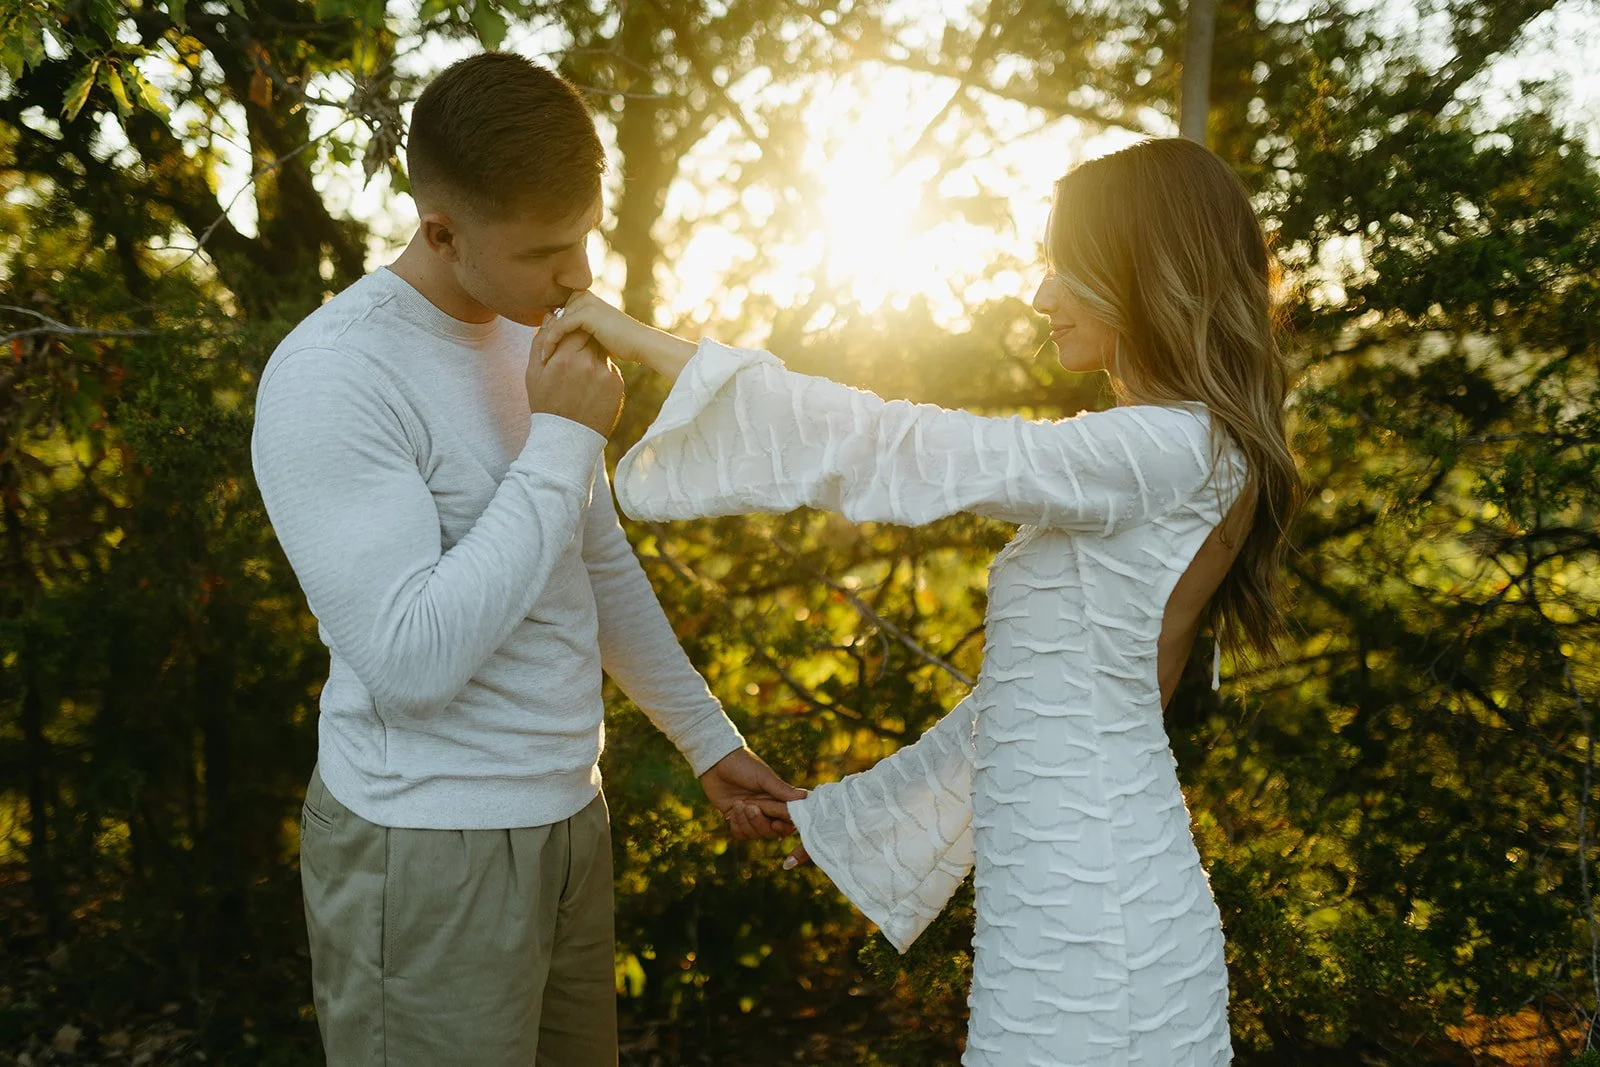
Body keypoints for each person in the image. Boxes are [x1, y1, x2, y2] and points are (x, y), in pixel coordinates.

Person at [530, 136, 1303, 1065]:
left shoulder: (1169, 450)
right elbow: (1035, 708)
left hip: (1100, 927)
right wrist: (845, 818)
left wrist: (646, 344)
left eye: (1068, 266)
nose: (1041, 295)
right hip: (1070, 902)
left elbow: (904, 447)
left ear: (1147, 272)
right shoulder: (1183, 453)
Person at [249, 52, 803, 1067]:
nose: (581, 277)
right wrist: (560, 441)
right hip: (423, 848)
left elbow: (585, 558)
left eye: (584, 236)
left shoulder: (523, 330)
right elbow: (410, 661)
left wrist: (705, 739)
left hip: (566, 818)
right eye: (547, 249)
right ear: (441, 232)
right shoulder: (332, 377)